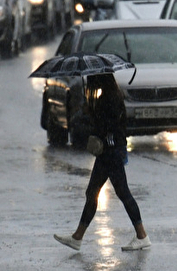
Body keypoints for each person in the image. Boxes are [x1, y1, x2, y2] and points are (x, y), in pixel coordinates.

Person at [54, 73, 151, 251]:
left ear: (101, 80)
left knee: (118, 192)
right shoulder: (111, 96)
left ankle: (142, 236)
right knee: (98, 192)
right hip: (111, 151)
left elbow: (106, 126)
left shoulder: (109, 99)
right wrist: (92, 110)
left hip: (110, 152)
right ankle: (78, 236)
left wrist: (90, 112)